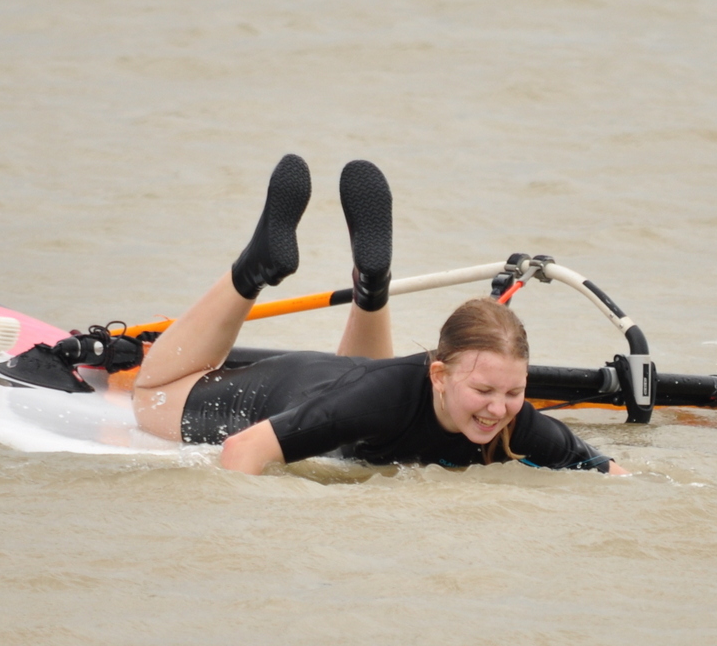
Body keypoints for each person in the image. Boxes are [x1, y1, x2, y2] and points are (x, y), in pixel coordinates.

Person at [132, 154, 627, 477]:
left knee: (365, 392)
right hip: (283, 392)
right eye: (483, 391)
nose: (498, 410)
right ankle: (254, 268)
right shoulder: (371, 406)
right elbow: (241, 451)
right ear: (439, 374)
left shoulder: (517, 425)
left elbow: (609, 473)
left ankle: (371, 285)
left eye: (513, 393)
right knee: (151, 397)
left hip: (353, 378)